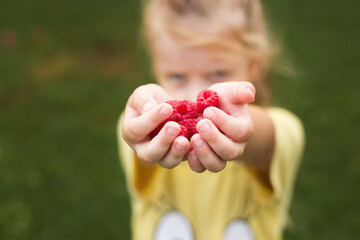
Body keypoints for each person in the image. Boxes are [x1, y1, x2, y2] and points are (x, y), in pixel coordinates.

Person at [117, 0, 305, 239]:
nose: (194, 94)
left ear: (254, 66)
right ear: (156, 67)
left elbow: (263, 139)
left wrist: (241, 131)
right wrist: (143, 122)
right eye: (176, 76)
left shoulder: (284, 128)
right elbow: (137, 139)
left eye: (218, 73)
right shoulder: (136, 127)